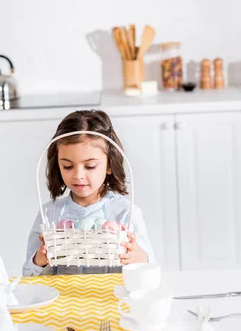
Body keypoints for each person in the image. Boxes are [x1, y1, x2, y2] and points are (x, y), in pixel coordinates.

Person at [22, 110, 154, 276]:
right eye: (67, 166)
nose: (78, 175)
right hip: (64, 299)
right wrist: (39, 260)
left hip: (110, 298)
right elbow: (27, 274)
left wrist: (138, 257)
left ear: (109, 165)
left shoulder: (125, 214)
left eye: (90, 166)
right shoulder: (50, 214)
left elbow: (150, 270)